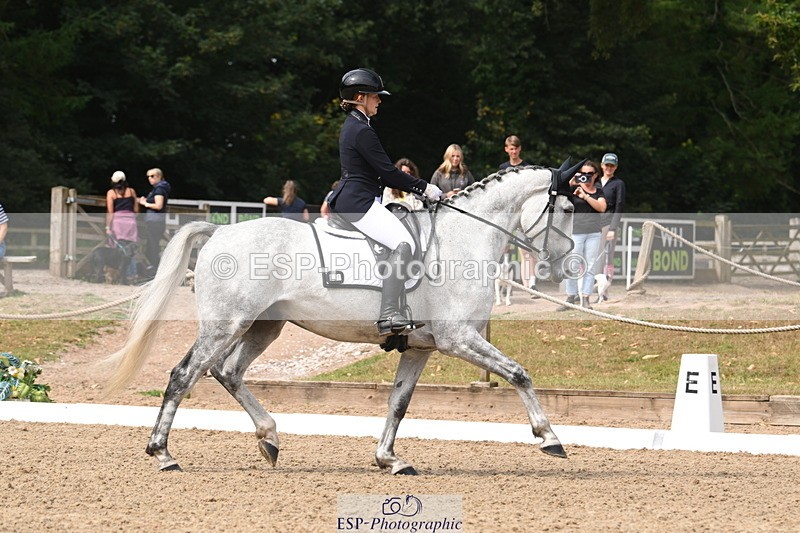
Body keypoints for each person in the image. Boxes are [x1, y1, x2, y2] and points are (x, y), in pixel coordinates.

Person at [326, 67, 442, 336]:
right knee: (405, 243)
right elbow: (388, 172)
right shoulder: (361, 130)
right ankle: (389, 314)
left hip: (354, 198)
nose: (379, 100)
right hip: (358, 202)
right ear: (360, 97)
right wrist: (424, 188)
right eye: (375, 96)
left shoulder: (357, 126)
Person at [559, 160, 606, 310]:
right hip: (576, 232)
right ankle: (571, 296)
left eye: (589, 174)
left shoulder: (599, 191)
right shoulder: (573, 188)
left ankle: (586, 298)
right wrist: (570, 182)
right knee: (572, 264)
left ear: (596, 175)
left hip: (593, 232)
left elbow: (602, 208)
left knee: (590, 265)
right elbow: (559, 198)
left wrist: (585, 196)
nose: (586, 177)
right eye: (583, 174)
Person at [498, 136, 537, 297]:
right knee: (503, 249)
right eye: (510, 148)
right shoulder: (502, 168)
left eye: (516, 148)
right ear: (506, 149)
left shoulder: (528, 167)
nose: (513, 151)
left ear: (519, 149)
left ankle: (531, 285)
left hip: (523, 213)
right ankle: (505, 285)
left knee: (526, 250)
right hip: (508, 214)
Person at [595, 152, 626, 300]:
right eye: (607, 165)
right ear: (602, 166)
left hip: (608, 223)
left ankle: (605, 291)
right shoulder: (595, 182)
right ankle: (597, 289)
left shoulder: (618, 184)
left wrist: (613, 229)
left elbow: (619, 206)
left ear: (615, 167)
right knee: (595, 258)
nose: (609, 168)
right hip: (594, 224)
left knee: (607, 257)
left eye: (611, 166)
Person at [105, 171, 139, 279]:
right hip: (131, 221)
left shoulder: (111, 193)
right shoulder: (131, 191)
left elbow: (110, 212)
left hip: (118, 222)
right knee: (131, 249)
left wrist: (108, 227)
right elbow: (136, 209)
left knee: (120, 248)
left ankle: (121, 274)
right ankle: (132, 274)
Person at [138, 167, 171, 271]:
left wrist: (145, 203)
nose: (150, 178)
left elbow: (158, 205)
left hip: (155, 221)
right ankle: (155, 268)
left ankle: (154, 269)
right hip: (157, 220)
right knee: (153, 245)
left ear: (159, 176)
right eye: (148, 176)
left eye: (152, 176)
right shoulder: (158, 188)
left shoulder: (159, 189)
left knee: (152, 246)